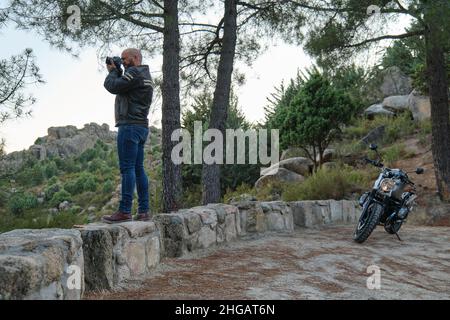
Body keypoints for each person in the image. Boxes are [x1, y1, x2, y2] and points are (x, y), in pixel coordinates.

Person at [102, 48, 153, 223]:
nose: (123, 61)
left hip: (129, 126)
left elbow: (113, 86)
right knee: (138, 169)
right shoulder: (144, 75)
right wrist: (119, 70)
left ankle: (124, 211)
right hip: (141, 127)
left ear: (136, 58)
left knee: (127, 168)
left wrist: (113, 71)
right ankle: (144, 210)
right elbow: (125, 86)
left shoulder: (134, 73)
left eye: (125, 59)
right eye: (121, 60)